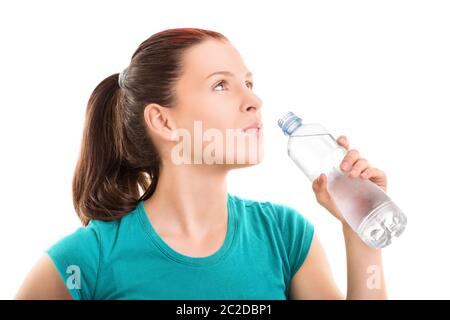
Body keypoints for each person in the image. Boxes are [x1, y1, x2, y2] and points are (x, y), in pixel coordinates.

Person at [15, 28, 387, 300]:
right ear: (163, 121)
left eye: (248, 82)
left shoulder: (285, 237)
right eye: (222, 85)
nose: (254, 99)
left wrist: (362, 233)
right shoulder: (87, 260)